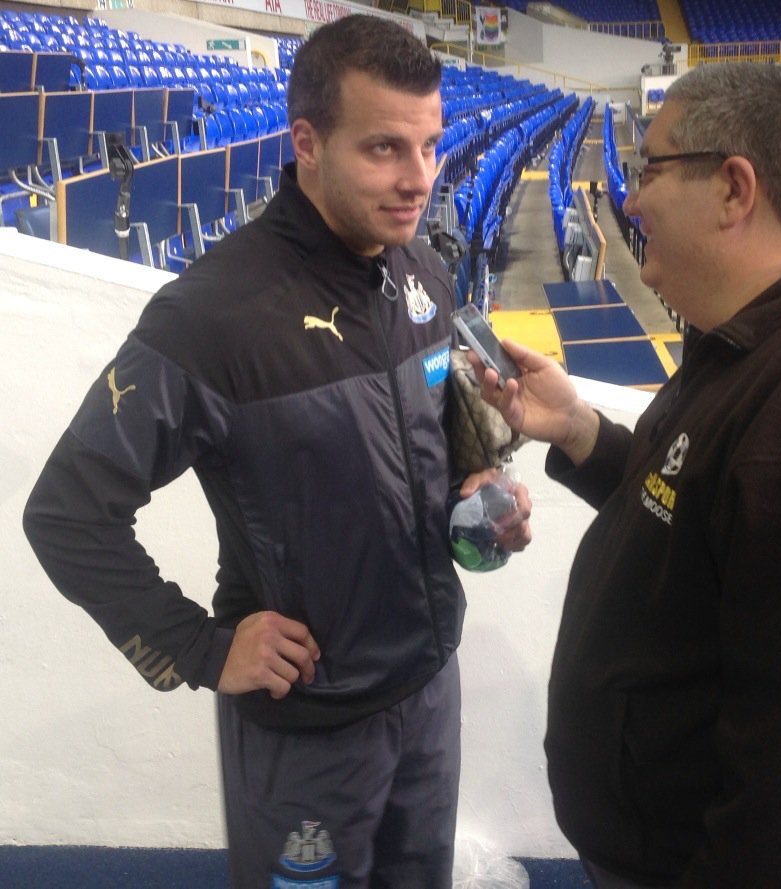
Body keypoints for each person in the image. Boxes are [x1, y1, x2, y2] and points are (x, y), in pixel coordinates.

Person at [22, 14, 531, 889]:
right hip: (306, 736)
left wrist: (481, 479)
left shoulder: (420, 269)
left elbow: (447, 422)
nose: (418, 181)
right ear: (307, 141)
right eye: (383, 149)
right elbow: (66, 513)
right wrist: (199, 646)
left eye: (430, 146)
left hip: (426, 689)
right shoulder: (211, 316)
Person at [474, 63, 781, 888]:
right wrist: (578, 430)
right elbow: (694, 510)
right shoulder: (754, 345)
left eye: (649, 170)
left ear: (733, 190)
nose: (629, 200)